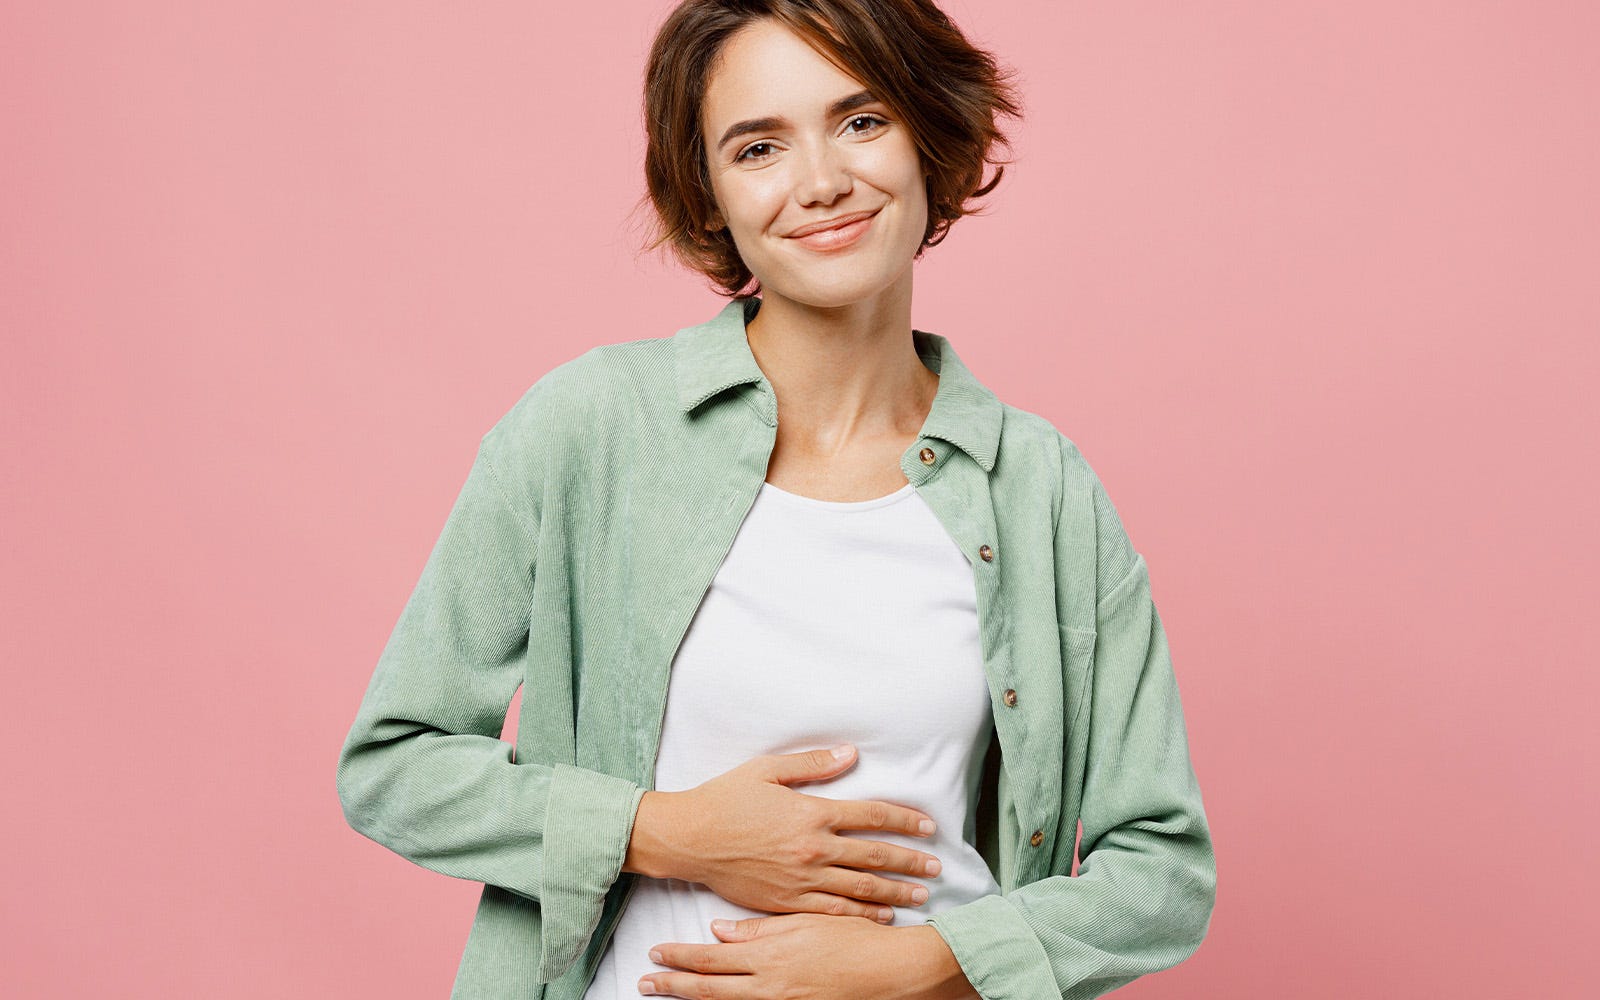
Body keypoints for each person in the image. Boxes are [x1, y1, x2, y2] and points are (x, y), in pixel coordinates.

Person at [335, 2, 1216, 998]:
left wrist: (928, 963)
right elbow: (392, 765)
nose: (821, 181)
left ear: (929, 135)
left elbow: (1163, 870)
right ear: (708, 193)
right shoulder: (591, 429)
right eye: (758, 147)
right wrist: (665, 832)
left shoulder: (1039, 489)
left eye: (862, 121)